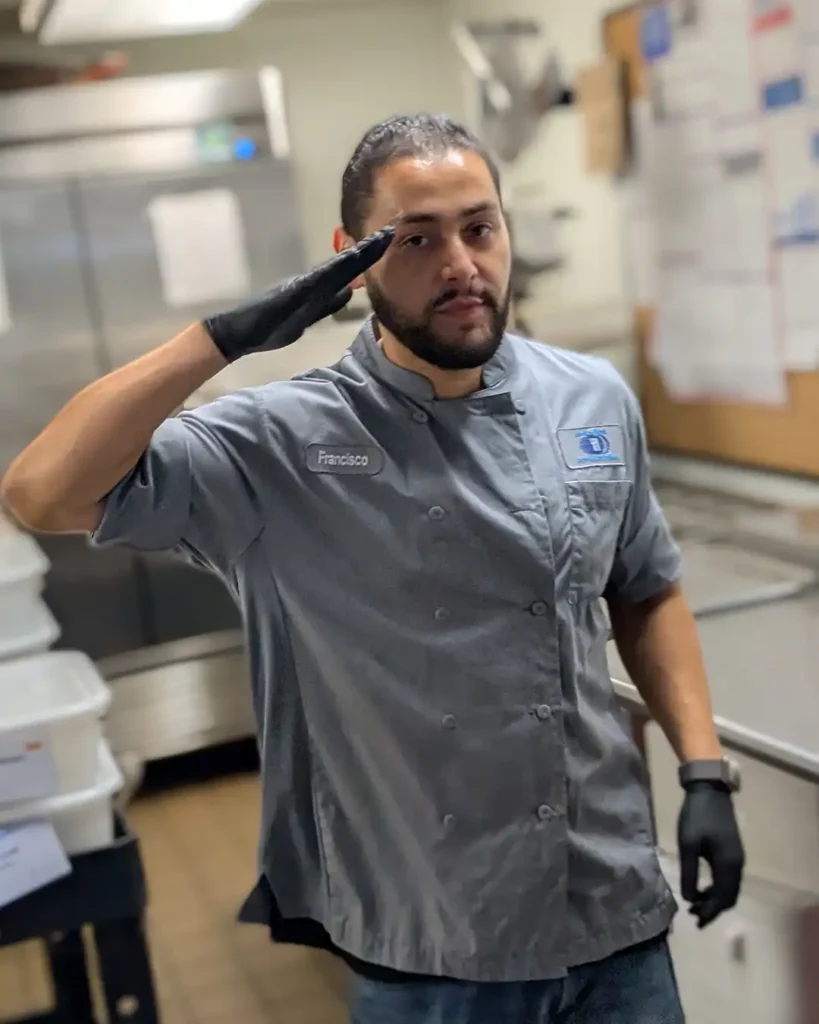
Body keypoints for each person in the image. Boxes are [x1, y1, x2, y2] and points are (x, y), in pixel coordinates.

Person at [1, 113, 744, 1024]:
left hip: (610, 904)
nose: (460, 264)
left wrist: (701, 769)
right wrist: (220, 340)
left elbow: (645, 584)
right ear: (347, 259)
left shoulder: (588, 397)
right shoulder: (276, 442)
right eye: (416, 239)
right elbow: (40, 495)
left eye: (479, 228)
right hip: (430, 942)